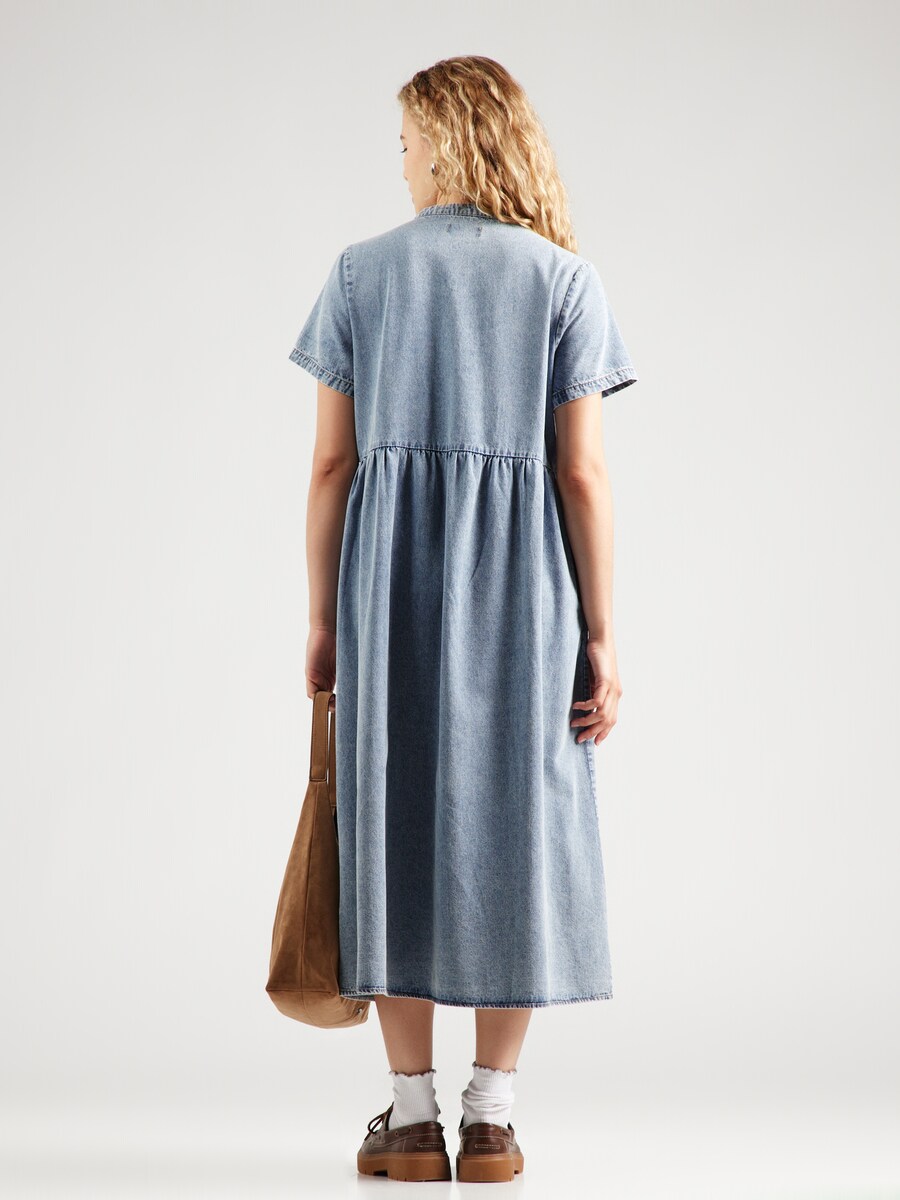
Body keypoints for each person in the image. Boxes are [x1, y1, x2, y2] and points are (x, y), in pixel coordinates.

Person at [289, 55, 638, 1184]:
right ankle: (491, 1118)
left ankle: (408, 1119)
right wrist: (600, 632)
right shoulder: (565, 281)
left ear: (443, 142)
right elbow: (581, 473)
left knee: (391, 824)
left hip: (388, 588)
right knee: (514, 827)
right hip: (526, 593)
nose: (399, 165)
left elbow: (332, 466)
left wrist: (322, 617)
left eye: (405, 144)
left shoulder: (361, 273)